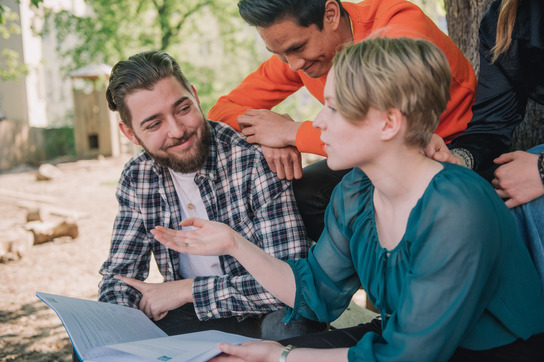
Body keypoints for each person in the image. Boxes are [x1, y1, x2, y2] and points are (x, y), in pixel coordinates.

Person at [152, 37, 544, 361]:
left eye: (335, 109)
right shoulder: (356, 191)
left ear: (389, 123)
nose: (318, 122)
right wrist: (234, 244)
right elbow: (316, 292)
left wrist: (282, 356)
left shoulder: (457, 206)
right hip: (397, 340)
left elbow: (408, 356)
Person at [98, 50, 326, 342]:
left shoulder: (253, 158)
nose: (177, 130)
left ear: (195, 96)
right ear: (130, 134)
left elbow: (292, 284)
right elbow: (120, 275)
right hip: (198, 314)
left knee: (288, 332)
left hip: (271, 309)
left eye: (183, 109)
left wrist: (185, 290)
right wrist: (114, 316)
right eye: (154, 124)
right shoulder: (137, 176)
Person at [208, 0, 477, 241]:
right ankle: (368, 271)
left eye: (297, 47)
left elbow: (381, 133)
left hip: (452, 148)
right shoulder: (299, 56)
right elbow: (221, 111)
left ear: (331, 14)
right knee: (303, 195)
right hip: (377, 155)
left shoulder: (398, 27)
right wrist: (266, 134)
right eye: (278, 54)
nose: (292, 65)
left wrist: (290, 133)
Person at [424, 0, 544, 286]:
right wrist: (458, 160)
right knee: (486, 200)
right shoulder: (503, 20)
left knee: (532, 204)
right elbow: (491, 126)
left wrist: (541, 169)